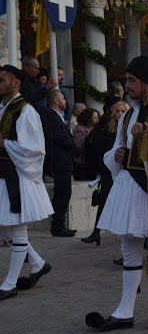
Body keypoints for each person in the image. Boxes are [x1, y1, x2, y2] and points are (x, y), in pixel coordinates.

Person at [86, 56, 148, 331]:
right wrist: (115, 155)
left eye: (132, 80)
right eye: (126, 80)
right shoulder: (128, 113)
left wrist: (145, 141)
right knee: (129, 249)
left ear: (147, 82)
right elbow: (118, 146)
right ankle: (124, 311)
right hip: (130, 185)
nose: (126, 85)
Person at [0, 65, 53, 300]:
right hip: (3, 175)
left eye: (3, 80)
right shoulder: (3, 108)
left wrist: (5, 144)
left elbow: (34, 149)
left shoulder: (26, 110)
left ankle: (10, 284)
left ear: (16, 83)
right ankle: (38, 263)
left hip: (17, 177)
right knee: (5, 228)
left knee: (17, 229)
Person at [83, 101, 131, 246]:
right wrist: (99, 172)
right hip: (108, 172)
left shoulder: (127, 131)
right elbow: (101, 153)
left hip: (124, 173)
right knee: (104, 202)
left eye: (123, 111)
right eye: (118, 111)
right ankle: (96, 233)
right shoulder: (107, 130)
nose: (120, 114)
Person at [47, 89, 80, 237]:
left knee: (63, 193)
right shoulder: (52, 117)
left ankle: (58, 225)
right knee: (62, 193)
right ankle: (57, 226)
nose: (66, 101)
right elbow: (60, 139)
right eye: (63, 99)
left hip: (64, 161)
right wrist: (76, 149)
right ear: (55, 101)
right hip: (60, 162)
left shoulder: (58, 117)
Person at [73, 108, 100, 181]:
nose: (97, 120)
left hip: (90, 162)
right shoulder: (80, 129)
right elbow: (79, 146)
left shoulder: (93, 128)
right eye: (95, 118)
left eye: (97, 118)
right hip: (82, 163)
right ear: (88, 118)